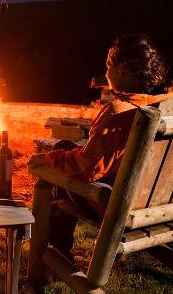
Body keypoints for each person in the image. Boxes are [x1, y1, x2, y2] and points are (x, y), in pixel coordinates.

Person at [27, 33, 173, 260]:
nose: (106, 73)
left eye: (108, 66)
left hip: (119, 206)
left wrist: (50, 159)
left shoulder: (119, 114)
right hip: (158, 202)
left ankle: (57, 251)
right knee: (67, 147)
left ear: (123, 68)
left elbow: (87, 169)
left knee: (61, 165)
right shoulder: (165, 104)